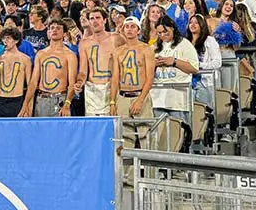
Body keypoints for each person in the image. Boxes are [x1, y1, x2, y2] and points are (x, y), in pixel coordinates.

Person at [113, 17, 156, 155]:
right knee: (125, 139)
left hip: (140, 95)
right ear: (123, 30)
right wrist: (112, 102)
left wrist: (141, 99)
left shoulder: (146, 49)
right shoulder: (118, 51)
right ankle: (128, 176)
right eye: (127, 27)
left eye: (133, 27)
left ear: (138, 30)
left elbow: (150, 78)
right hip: (123, 96)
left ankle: (150, 173)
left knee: (146, 137)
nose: (129, 29)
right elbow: (115, 78)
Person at [20, 20, 77, 118]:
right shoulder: (40, 54)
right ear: (48, 32)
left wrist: (67, 104)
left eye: (58, 28)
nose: (54, 30)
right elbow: (33, 82)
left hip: (60, 100)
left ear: (64, 34)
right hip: (41, 100)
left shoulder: (70, 55)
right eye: (52, 28)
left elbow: (72, 83)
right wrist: (25, 106)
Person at [150, 15, 199, 123]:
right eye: (159, 33)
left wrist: (175, 62)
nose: (162, 35)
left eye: (165, 31)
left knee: (179, 133)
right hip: (157, 98)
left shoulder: (185, 44)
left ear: (172, 28)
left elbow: (194, 68)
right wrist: (153, 65)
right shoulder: (155, 47)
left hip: (178, 99)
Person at [74, 8, 123, 116]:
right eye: (91, 18)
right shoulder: (84, 43)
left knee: (112, 127)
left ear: (105, 20)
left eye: (98, 18)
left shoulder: (116, 38)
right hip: (91, 91)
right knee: (93, 128)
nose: (95, 21)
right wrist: (79, 82)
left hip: (112, 88)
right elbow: (83, 70)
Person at [0, 27, 32, 118]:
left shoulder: (25, 59)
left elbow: (30, 85)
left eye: (8, 38)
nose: (5, 41)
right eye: (3, 38)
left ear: (16, 40)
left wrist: (28, 107)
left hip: (16, 101)